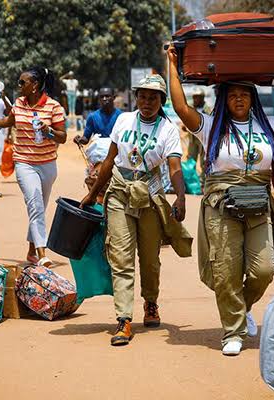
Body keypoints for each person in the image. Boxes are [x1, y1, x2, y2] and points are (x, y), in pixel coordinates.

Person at [167, 44, 274, 356]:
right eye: (233, 94)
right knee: (226, 270)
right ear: (224, 98)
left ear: (253, 98)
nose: (239, 99)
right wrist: (170, 63)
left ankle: (242, 306)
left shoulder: (269, 126)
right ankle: (232, 331)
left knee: (264, 269)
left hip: (259, 205)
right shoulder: (210, 127)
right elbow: (182, 108)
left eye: (244, 94)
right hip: (220, 206)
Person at [80, 74, 191, 347]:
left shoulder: (168, 129)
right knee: (121, 255)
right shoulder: (124, 120)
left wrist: (180, 197)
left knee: (150, 259)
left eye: (153, 98)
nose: (146, 102)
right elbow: (109, 161)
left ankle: (150, 302)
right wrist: (93, 193)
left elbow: (175, 167)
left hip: (150, 196)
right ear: (135, 97)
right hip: (119, 191)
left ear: (161, 100)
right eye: (142, 96)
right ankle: (124, 319)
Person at [0, 66, 66, 267]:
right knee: (35, 204)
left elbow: (63, 137)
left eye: (23, 82)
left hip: (47, 164)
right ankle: (42, 253)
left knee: (39, 206)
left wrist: (49, 131)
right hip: (24, 163)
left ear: (35, 85)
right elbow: (10, 121)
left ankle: (31, 250)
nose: (19, 86)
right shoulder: (19, 103)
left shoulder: (53, 106)